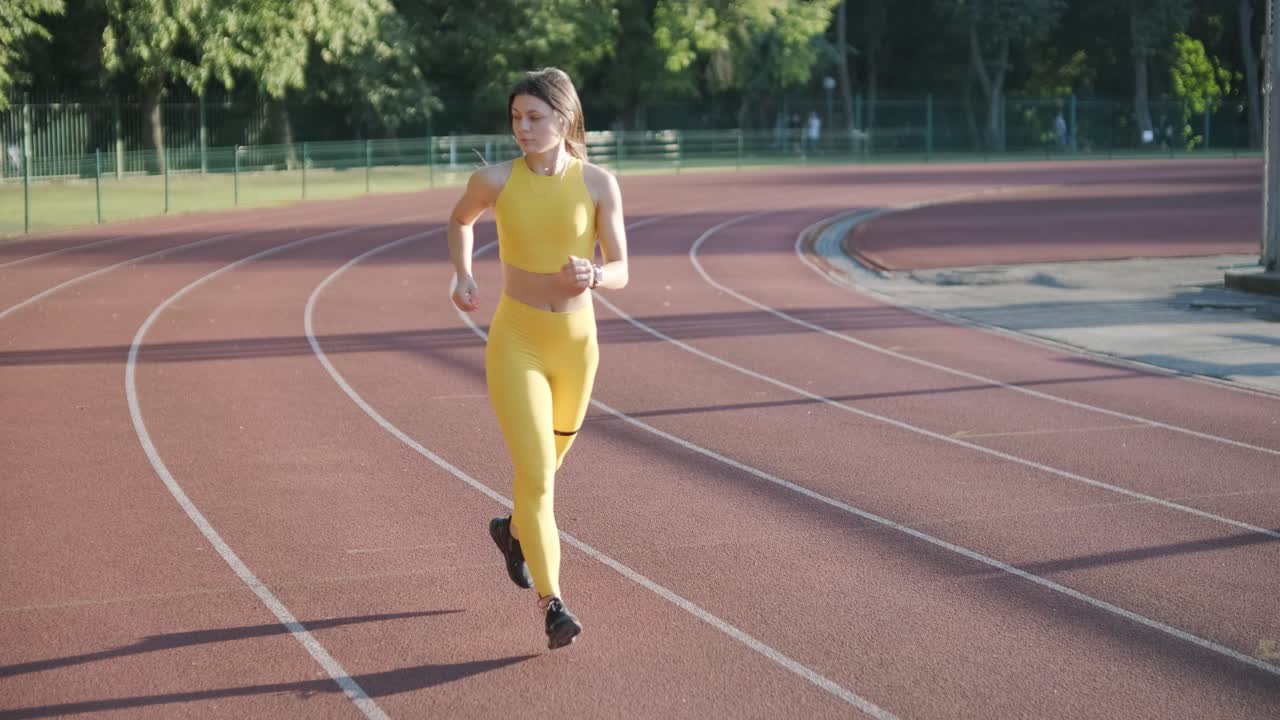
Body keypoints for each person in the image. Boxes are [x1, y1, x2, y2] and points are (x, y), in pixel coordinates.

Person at [446, 67, 629, 650]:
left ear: (565, 118)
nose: (522, 128)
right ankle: (553, 604)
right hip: (516, 343)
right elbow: (460, 219)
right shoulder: (495, 180)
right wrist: (463, 273)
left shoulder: (599, 184)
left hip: (576, 348)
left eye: (535, 117)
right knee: (539, 477)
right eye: (516, 118)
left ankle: (511, 531)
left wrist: (596, 273)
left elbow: (624, 268)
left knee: (544, 473)